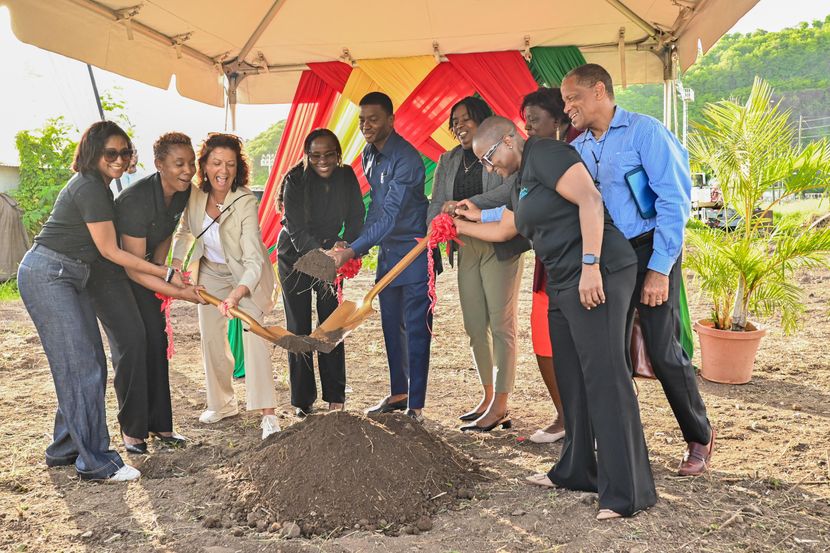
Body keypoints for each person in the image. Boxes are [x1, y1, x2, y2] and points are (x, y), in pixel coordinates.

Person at [454, 116, 656, 519]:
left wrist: (591, 265)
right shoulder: (521, 181)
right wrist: (453, 226)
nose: (489, 169)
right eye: (482, 164)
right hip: (564, 284)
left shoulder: (546, 153)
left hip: (599, 273)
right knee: (572, 377)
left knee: (604, 376)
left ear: (509, 139)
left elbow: (591, 201)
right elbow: (504, 230)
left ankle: (627, 492)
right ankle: (576, 469)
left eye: (490, 158)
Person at [561, 63, 714, 476]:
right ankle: (620, 444)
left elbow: (674, 202)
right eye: (564, 101)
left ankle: (698, 435)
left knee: (663, 349)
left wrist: (660, 269)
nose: (568, 107)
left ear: (599, 90)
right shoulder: (576, 149)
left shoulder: (645, 132)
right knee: (609, 352)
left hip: (650, 251)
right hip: (607, 256)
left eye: (573, 97)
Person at [17, 121, 188, 481]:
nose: (119, 159)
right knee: (82, 366)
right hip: (49, 274)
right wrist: (166, 274)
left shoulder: (102, 187)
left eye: (125, 152)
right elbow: (111, 251)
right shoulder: (90, 187)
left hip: (74, 276)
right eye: (111, 152)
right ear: (94, 152)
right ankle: (96, 461)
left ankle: (64, 447)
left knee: (86, 361)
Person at [467, 87, 582, 443]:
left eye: (535, 120)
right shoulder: (529, 166)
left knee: (588, 351)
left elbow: (591, 204)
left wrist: (591, 263)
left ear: (560, 120)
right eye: (526, 120)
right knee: (547, 341)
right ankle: (568, 416)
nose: (529, 127)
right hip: (552, 268)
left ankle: (586, 424)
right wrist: (464, 219)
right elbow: (512, 218)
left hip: (581, 265)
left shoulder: (562, 156)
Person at [88, 132, 206, 454]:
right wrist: (177, 290)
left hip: (144, 269)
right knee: (133, 342)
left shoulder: (182, 193)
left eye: (191, 163)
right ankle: (133, 430)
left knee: (156, 338)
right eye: (179, 164)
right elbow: (132, 267)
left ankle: (161, 426)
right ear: (159, 165)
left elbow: (164, 236)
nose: (188, 170)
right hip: (111, 275)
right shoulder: (136, 200)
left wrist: (164, 269)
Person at [326, 92, 440, 423]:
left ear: (391, 120)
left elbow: (391, 214)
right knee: (391, 325)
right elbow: (375, 207)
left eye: (373, 119)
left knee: (417, 328)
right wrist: (352, 240)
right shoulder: (368, 155)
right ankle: (398, 393)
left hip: (416, 251)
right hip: (389, 253)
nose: (366, 126)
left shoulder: (407, 159)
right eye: (362, 120)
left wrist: (354, 249)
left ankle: (415, 406)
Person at [427, 96, 529, 432]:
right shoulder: (448, 160)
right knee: (474, 325)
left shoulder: (501, 154)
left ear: (483, 121)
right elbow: (436, 204)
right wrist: (436, 226)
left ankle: (501, 402)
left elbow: (507, 194)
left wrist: (461, 206)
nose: (459, 126)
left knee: (502, 325)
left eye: (466, 119)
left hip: (500, 244)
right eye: (454, 121)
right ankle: (486, 397)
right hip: (465, 245)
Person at [172, 133, 280, 440]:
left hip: (246, 275)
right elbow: (183, 233)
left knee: (254, 331)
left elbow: (254, 258)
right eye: (216, 162)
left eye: (230, 164)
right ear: (204, 165)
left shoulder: (245, 201)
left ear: (238, 168)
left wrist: (238, 293)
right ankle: (222, 402)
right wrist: (177, 264)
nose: (223, 170)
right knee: (211, 338)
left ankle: (268, 413)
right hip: (210, 273)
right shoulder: (192, 197)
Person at [277, 129, 365, 417]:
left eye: (329, 155)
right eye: (315, 156)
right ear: (307, 156)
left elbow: (356, 217)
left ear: (338, 155)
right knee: (299, 328)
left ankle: (335, 396)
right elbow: (295, 228)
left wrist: (345, 245)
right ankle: (303, 401)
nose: (323, 161)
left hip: (331, 257)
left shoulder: (347, 176)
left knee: (331, 325)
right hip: (295, 255)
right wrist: (321, 253)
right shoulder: (295, 179)